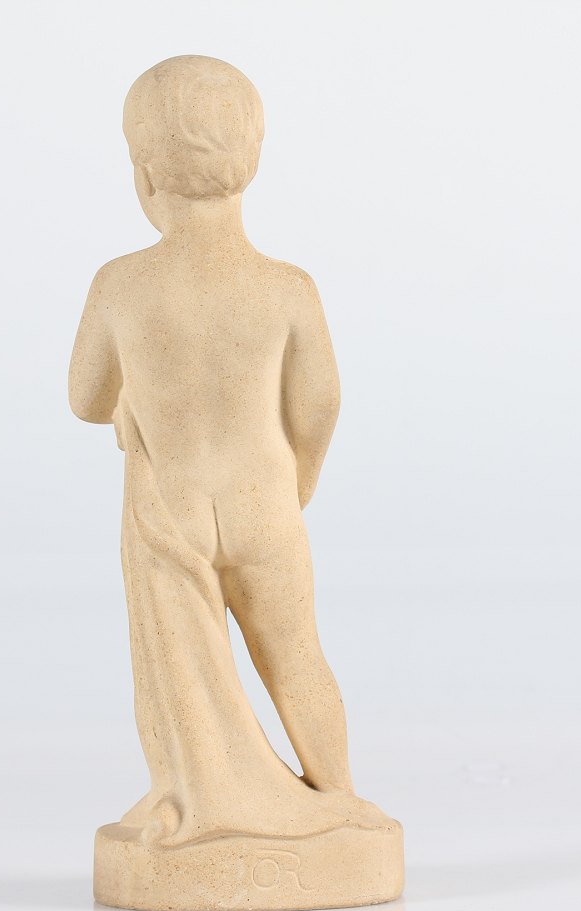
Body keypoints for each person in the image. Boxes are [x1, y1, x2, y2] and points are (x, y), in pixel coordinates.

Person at [69, 56, 387, 846]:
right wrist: (299, 480)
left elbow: (85, 399)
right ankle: (342, 800)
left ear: (145, 172)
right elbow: (322, 403)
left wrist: (138, 399)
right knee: (298, 657)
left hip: (172, 509)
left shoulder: (120, 285)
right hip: (264, 505)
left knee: (174, 670)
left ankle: (194, 787)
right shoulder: (287, 288)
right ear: (253, 161)